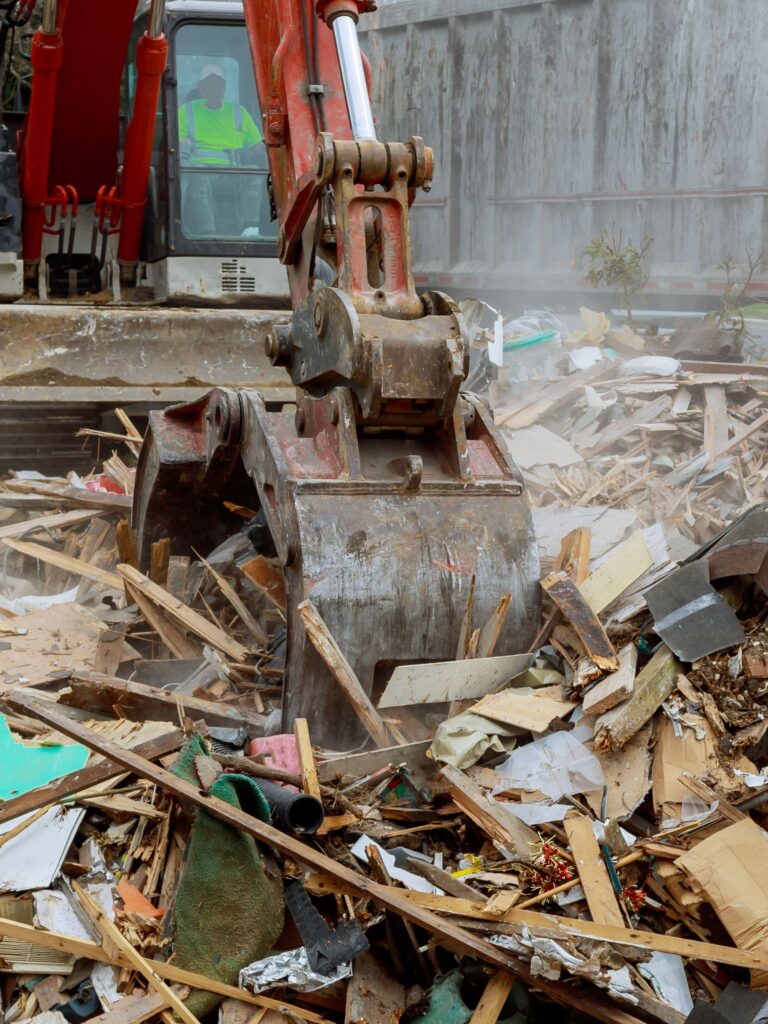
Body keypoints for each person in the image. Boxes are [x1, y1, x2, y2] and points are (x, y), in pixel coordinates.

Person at [179, 64, 264, 236]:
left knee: (255, 172)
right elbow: (180, 142)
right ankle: (208, 232)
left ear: (223, 88)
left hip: (234, 172)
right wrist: (183, 143)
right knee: (197, 174)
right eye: (207, 84)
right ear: (200, 88)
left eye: (217, 84)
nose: (212, 88)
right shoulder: (186, 111)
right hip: (201, 169)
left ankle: (250, 228)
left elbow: (257, 146)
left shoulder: (238, 112)